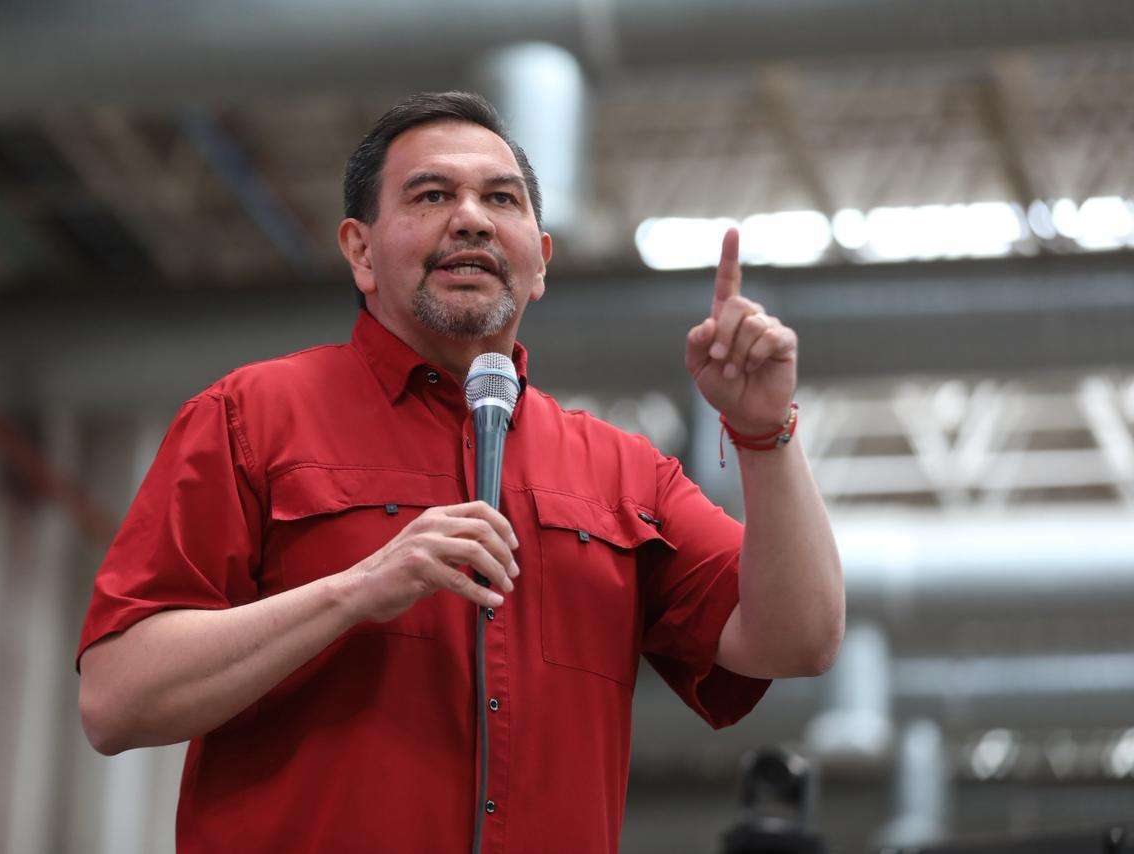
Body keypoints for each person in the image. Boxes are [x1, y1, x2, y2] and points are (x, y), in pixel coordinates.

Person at [76, 91, 844, 853]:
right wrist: (355, 591)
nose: (471, 218)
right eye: (432, 195)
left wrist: (762, 433)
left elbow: (798, 640)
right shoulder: (250, 419)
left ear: (539, 264)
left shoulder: (625, 475)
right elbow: (116, 698)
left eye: (501, 199)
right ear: (360, 251)